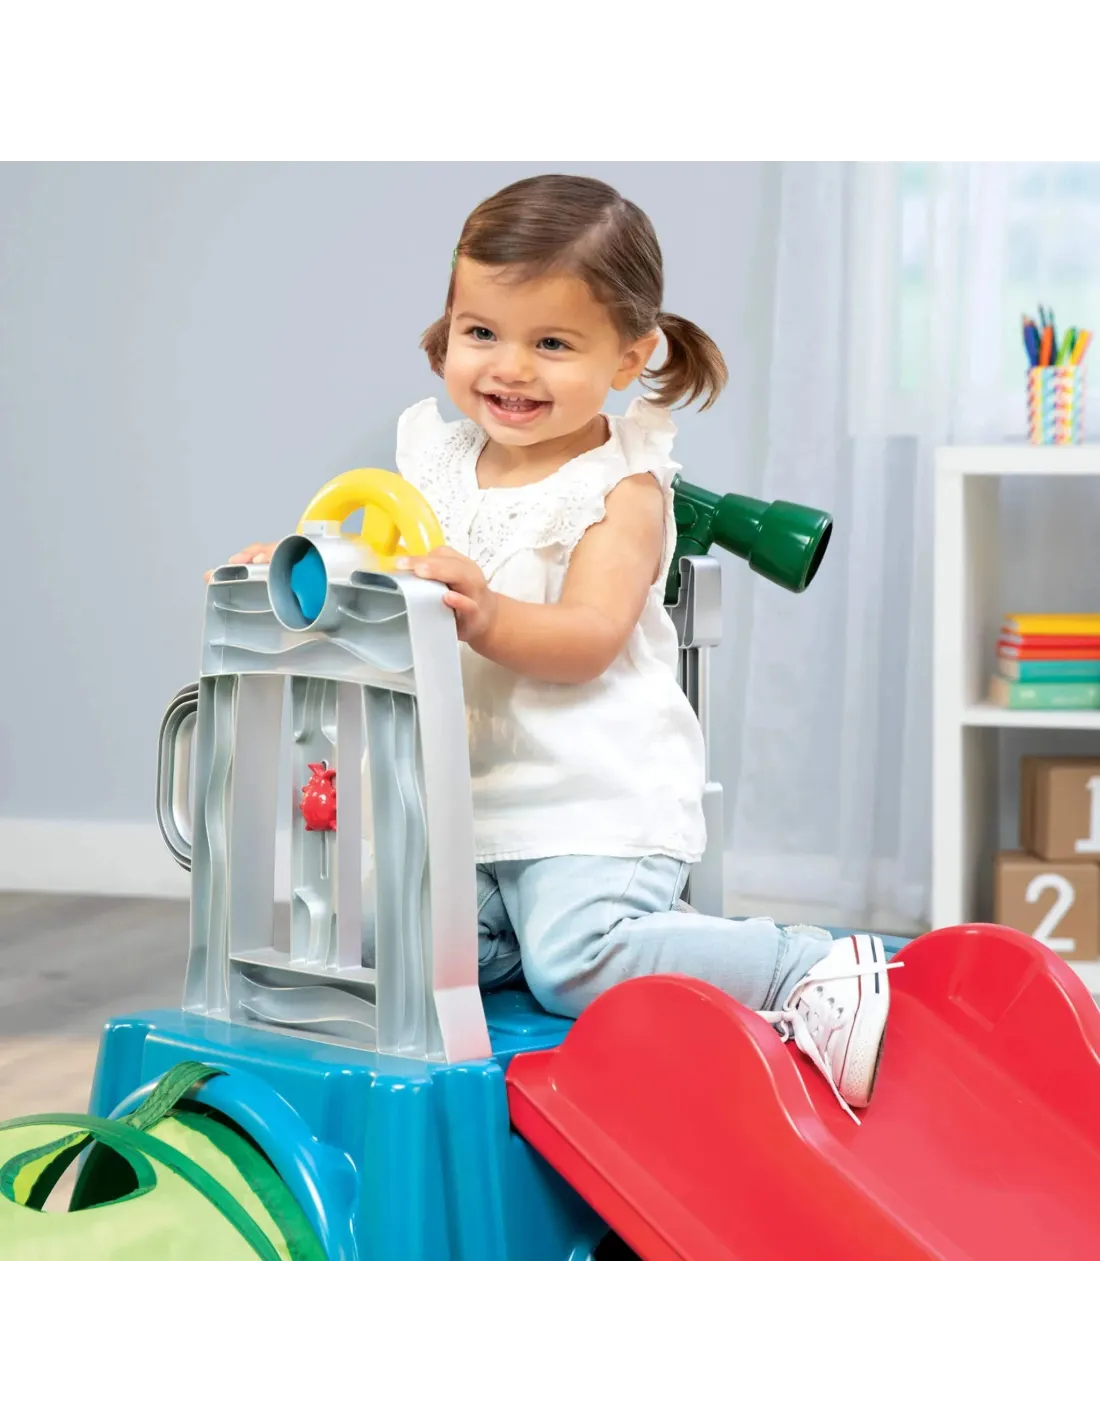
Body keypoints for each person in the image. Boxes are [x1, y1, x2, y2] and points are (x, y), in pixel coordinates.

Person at [218, 174, 895, 1122]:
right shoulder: (432, 463)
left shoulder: (622, 489)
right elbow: (379, 571)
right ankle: (564, 942)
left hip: (592, 804)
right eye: (482, 332)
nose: (511, 369)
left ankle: (807, 965)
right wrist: (305, 569)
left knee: (575, 962)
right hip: (466, 809)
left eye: (552, 344)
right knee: (366, 944)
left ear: (629, 357)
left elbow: (587, 638)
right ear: (447, 329)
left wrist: (487, 614)